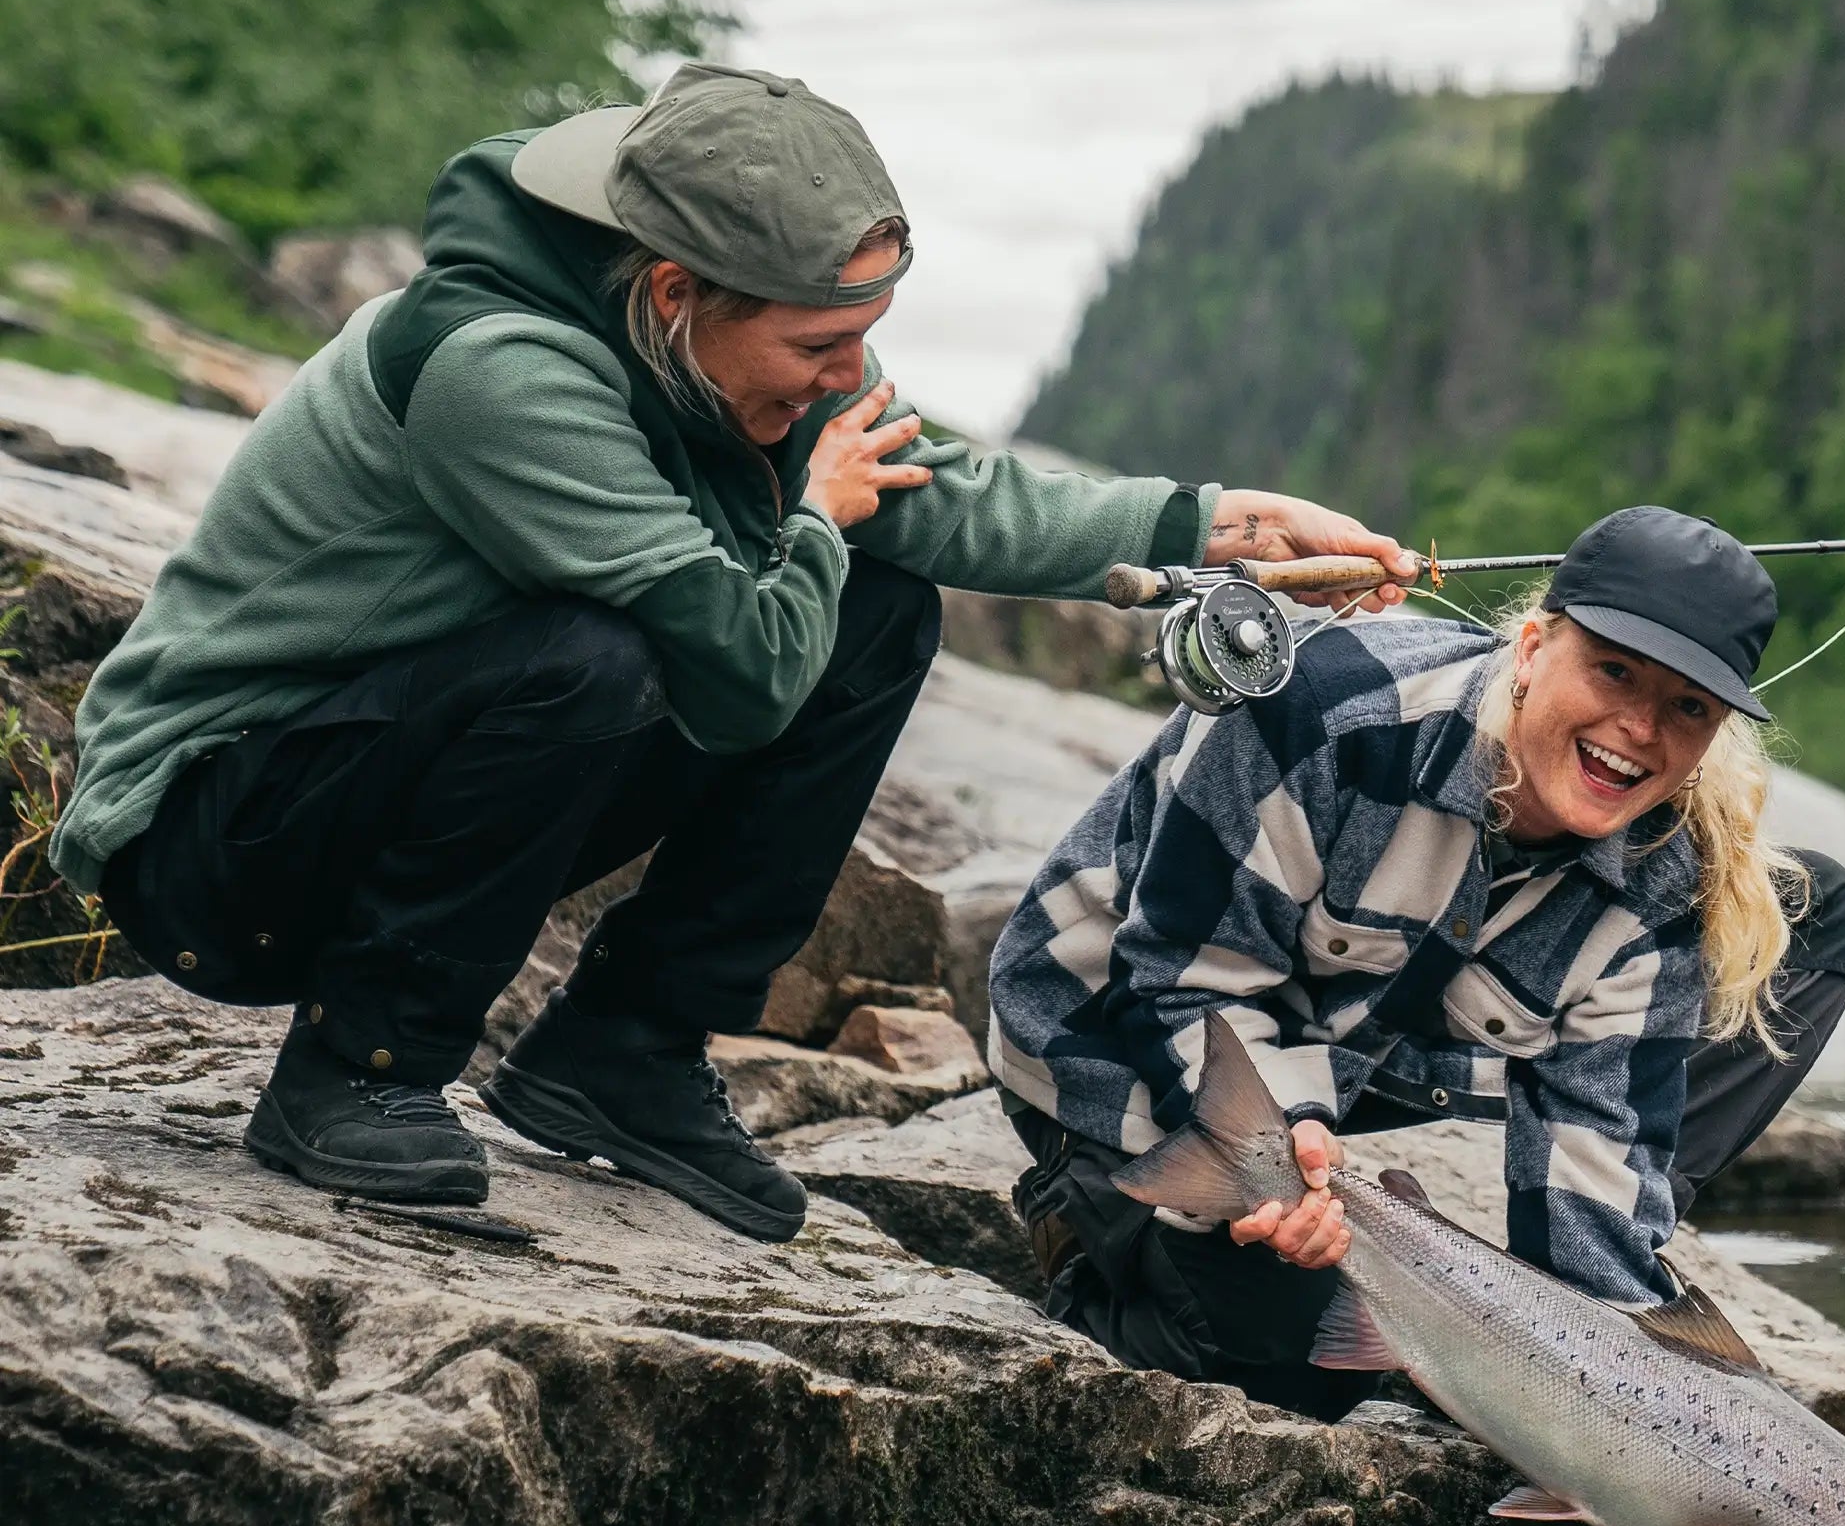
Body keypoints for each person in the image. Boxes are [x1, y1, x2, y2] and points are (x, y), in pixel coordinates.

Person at [50, 63, 1413, 1240]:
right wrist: (816, 518)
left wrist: (1217, 523)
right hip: (212, 851)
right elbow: (744, 664)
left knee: (879, 617)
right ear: (672, 292)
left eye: (865, 343)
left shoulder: (694, 345)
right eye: (820, 346)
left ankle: (626, 1050)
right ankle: (357, 1066)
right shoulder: (495, 369)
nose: (847, 379)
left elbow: (938, 489)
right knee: (604, 657)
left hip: (357, 793)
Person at [988, 505, 1845, 1526]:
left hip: (1344, 1063)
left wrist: (1650, 1465)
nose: (1637, 732)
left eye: (1685, 708)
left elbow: (1587, 1209)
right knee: (1282, 1354)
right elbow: (1182, 982)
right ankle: (1087, 1235)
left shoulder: (1659, 881)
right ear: (1535, 646)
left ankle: (1406, 1301)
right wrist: (1295, 1156)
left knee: (1809, 915)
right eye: (1613, 673)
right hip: (1107, 1040)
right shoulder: (1318, 713)